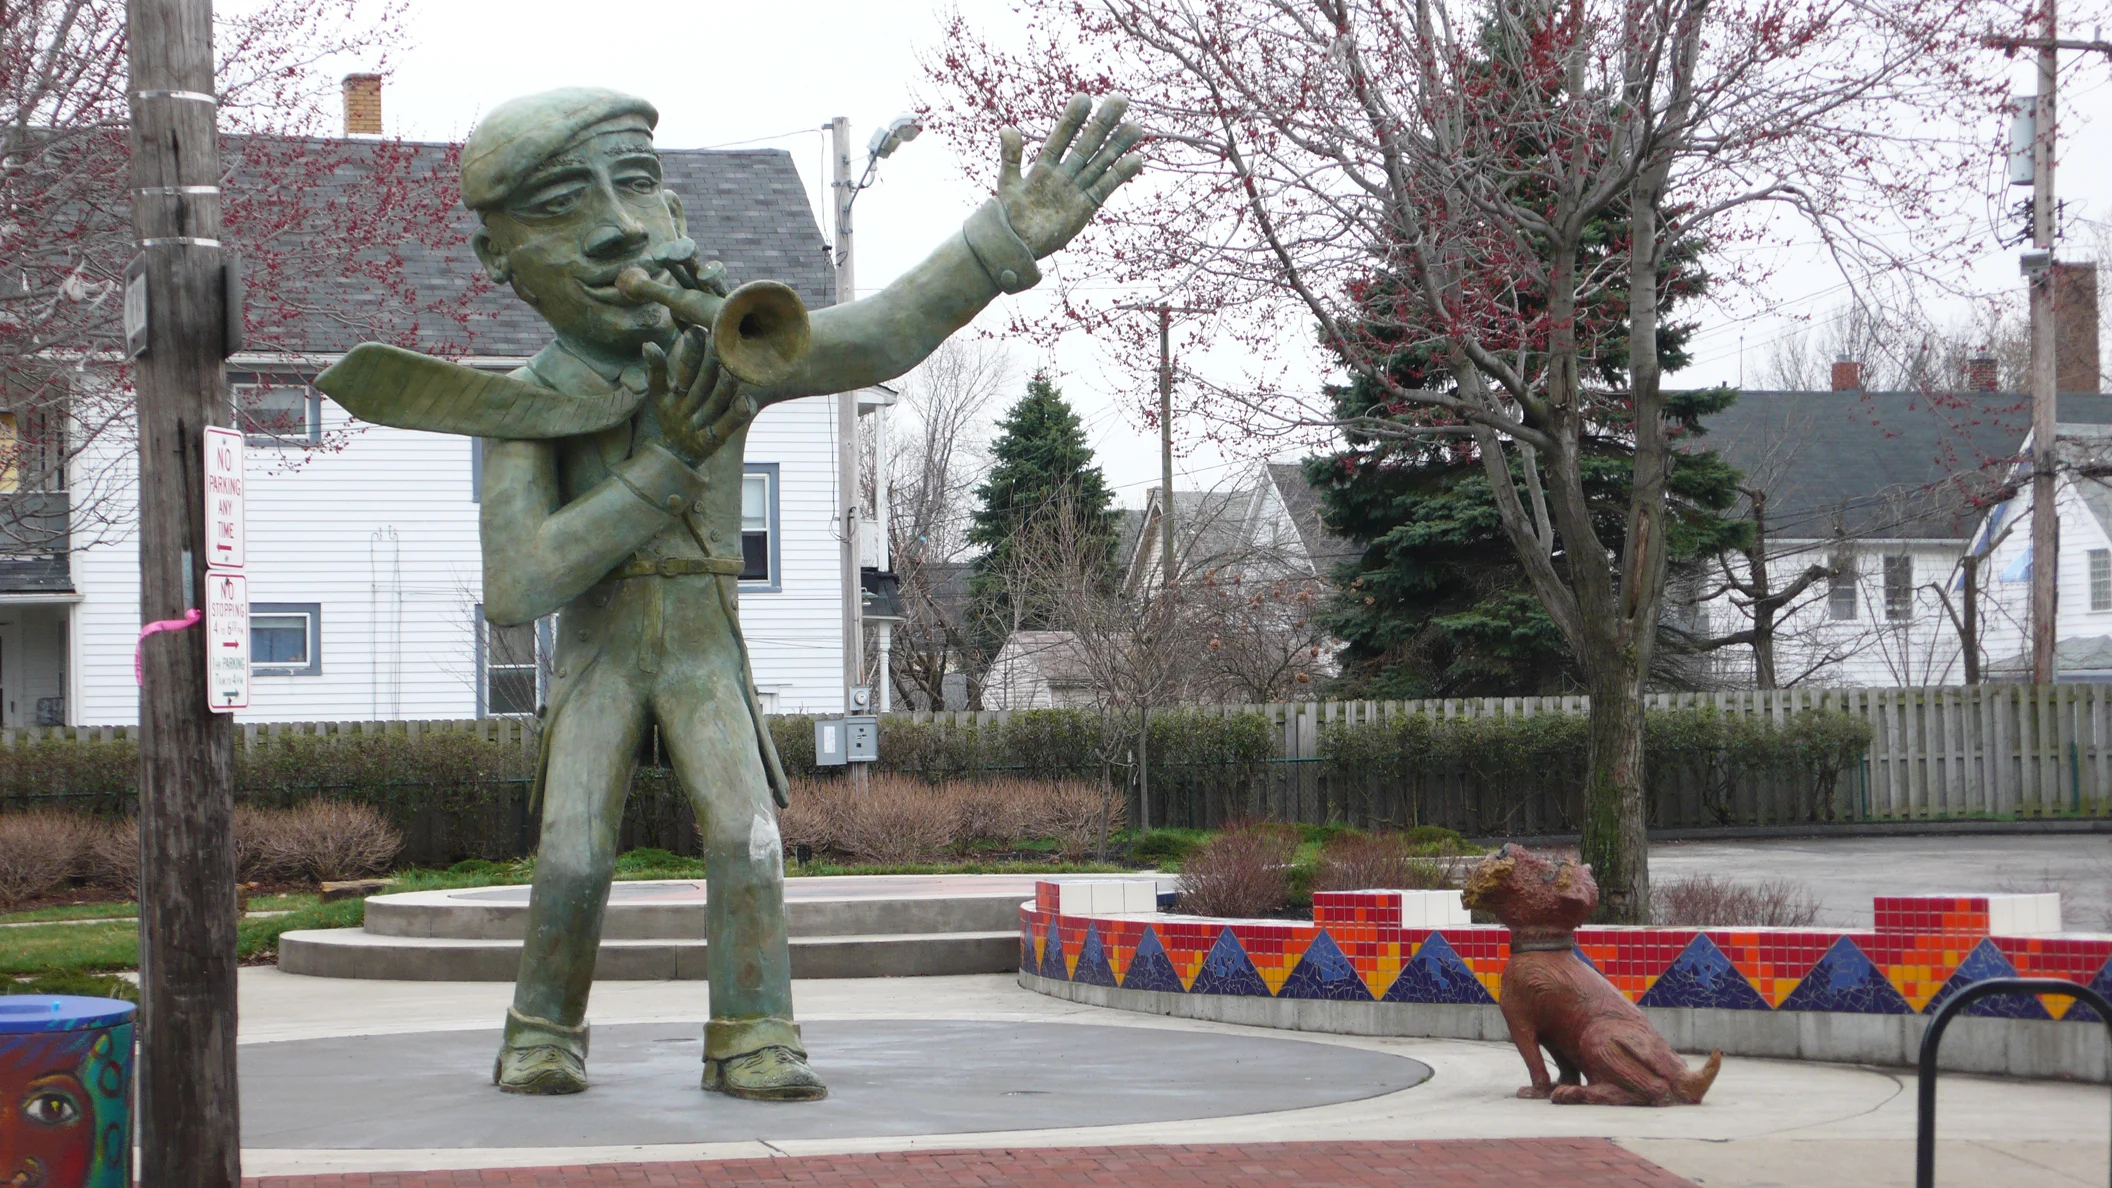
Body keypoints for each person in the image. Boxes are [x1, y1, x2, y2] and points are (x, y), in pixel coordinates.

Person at [319, 85, 1141, 1101]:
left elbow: (879, 334)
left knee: (750, 840)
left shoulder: (730, 354)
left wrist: (996, 243)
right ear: (502, 261)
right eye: (567, 202)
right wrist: (664, 463)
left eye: (640, 186)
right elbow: (517, 586)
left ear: (675, 213)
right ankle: (542, 1028)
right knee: (572, 855)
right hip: (602, 656)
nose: (620, 224)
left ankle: (754, 1032)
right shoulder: (528, 404)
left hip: (707, 651)